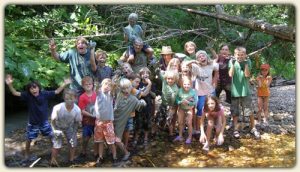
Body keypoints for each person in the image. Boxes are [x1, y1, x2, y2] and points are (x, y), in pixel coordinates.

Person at [5, 74, 71, 161]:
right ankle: (27, 154)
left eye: (35, 87)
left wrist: (65, 84)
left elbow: (57, 91)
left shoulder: (45, 94)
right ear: (29, 90)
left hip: (44, 122)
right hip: (33, 123)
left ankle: (54, 151)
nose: (33, 90)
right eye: (31, 88)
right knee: (29, 139)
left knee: (51, 136)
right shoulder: (28, 96)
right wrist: (9, 84)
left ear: (38, 88)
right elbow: (14, 93)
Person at [228, 46, 260, 139]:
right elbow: (230, 74)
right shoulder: (231, 61)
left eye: (242, 55)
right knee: (235, 111)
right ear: (235, 55)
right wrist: (234, 63)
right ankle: (235, 129)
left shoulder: (248, 62)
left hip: (245, 91)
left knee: (249, 110)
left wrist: (245, 63)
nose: (240, 56)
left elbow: (247, 75)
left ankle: (253, 127)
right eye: (238, 55)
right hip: (235, 91)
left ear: (245, 55)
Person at [113, 78, 147, 161]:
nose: (126, 90)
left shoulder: (133, 99)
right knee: (113, 139)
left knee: (116, 139)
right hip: (114, 120)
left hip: (124, 121)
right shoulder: (119, 94)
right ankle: (114, 155)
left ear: (131, 87)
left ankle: (126, 152)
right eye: (123, 88)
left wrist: (143, 102)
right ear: (121, 88)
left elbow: (140, 105)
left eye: (128, 88)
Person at [50, 88, 82, 166]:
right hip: (57, 126)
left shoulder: (77, 110)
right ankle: (53, 162)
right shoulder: (57, 107)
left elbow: (77, 123)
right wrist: (54, 130)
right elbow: (52, 120)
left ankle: (71, 160)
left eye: (71, 98)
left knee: (72, 143)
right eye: (67, 98)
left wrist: (74, 134)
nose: (69, 100)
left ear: (75, 98)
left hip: (69, 127)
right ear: (64, 98)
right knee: (57, 145)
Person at [93, 78, 118, 166]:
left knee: (111, 141)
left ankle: (114, 156)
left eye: (109, 85)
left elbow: (114, 87)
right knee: (100, 141)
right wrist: (96, 84)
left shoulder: (110, 94)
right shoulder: (99, 93)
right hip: (99, 122)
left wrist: (114, 81)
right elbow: (96, 89)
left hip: (108, 123)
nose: (107, 86)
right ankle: (100, 156)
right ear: (101, 85)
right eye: (105, 84)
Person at [77, 76, 97, 160]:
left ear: (93, 85)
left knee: (97, 137)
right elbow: (82, 111)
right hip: (87, 121)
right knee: (86, 137)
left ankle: (96, 153)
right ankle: (83, 151)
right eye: (86, 84)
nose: (88, 85)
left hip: (97, 121)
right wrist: (92, 115)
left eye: (90, 84)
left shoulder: (96, 94)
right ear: (83, 86)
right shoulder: (82, 97)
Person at [174, 77, 198, 144]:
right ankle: (180, 136)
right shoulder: (180, 90)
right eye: (185, 84)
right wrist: (180, 102)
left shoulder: (193, 92)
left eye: (188, 84)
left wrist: (188, 102)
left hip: (189, 109)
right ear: (182, 84)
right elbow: (177, 99)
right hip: (181, 108)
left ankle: (189, 137)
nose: (186, 86)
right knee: (180, 122)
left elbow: (195, 101)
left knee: (189, 123)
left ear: (190, 84)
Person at [159, 70, 179, 141]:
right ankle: (160, 130)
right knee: (160, 117)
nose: (170, 80)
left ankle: (171, 134)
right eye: (168, 78)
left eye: (172, 79)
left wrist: (171, 106)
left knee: (169, 120)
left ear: (175, 79)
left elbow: (173, 99)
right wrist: (160, 71)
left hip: (171, 106)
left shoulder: (175, 88)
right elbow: (160, 75)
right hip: (163, 104)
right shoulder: (164, 82)